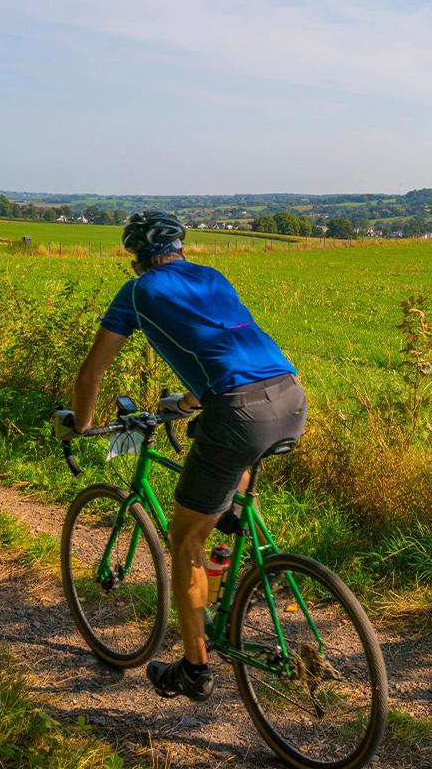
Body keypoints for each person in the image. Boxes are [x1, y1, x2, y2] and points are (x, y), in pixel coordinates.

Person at [54, 211, 306, 701]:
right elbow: (225, 351)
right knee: (221, 485)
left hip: (236, 413)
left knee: (183, 538)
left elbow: (91, 374)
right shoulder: (213, 277)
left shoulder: (137, 292)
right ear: (182, 248)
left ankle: (194, 670)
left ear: (135, 260)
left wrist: (81, 424)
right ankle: (232, 558)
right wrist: (188, 403)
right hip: (289, 395)